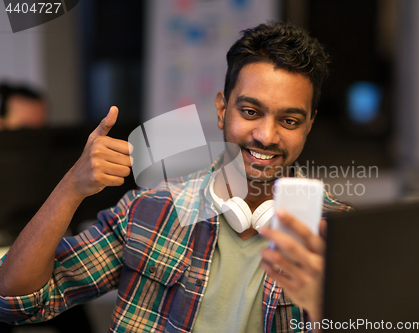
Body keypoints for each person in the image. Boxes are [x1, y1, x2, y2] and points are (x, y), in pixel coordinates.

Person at [0, 22, 352, 332]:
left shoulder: (341, 236)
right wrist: (72, 186)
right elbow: (17, 301)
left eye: (289, 121)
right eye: (250, 111)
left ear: (309, 125)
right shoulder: (151, 211)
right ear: (221, 109)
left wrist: (322, 308)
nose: (266, 135)